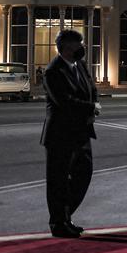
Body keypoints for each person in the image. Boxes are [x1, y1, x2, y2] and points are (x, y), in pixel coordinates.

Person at [40, 29, 101, 238]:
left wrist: (95, 102)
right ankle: (58, 223)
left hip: (81, 132)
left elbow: (92, 87)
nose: (81, 48)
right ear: (66, 47)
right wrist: (90, 108)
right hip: (60, 134)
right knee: (57, 181)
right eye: (78, 44)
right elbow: (64, 102)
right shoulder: (52, 71)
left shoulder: (80, 65)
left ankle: (65, 215)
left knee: (84, 174)